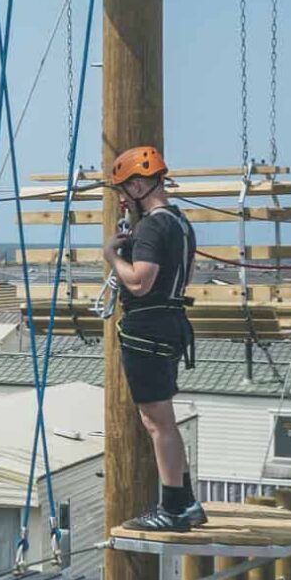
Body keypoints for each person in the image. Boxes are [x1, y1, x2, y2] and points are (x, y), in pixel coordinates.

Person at [104, 144, 203, 530]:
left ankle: (173, 507)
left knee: (156, 420)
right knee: (164, 419)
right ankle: (185, 500)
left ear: (141, 184)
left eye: (124, 189)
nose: (121, 197)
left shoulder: (151, 227)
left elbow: (140, 282)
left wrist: (113, 255)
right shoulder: (179, 223)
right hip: (172, 320)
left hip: (147, 326)